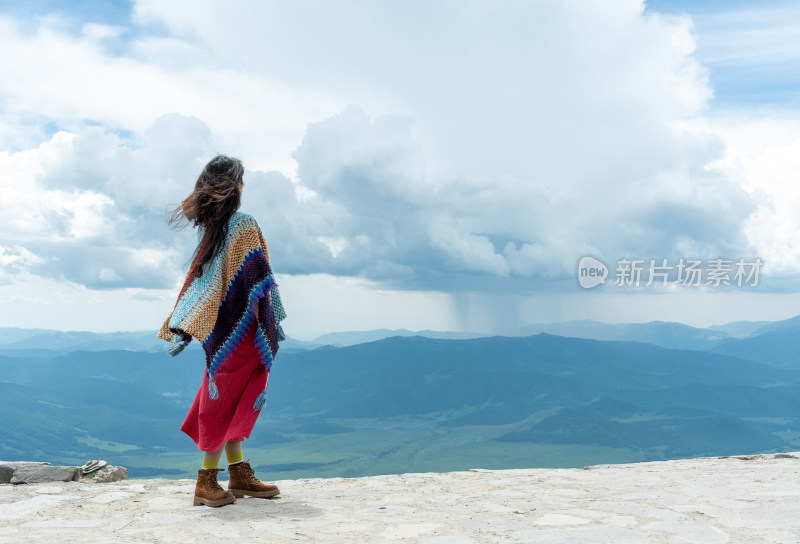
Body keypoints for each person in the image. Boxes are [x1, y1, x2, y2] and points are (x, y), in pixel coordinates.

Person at [158, 155, 287, 507]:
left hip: (220, 328)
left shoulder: (209, 228)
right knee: (227, 398)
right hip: (243, 330)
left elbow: (206, 279)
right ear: (236, 185)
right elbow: (257, 278)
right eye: (242, 180)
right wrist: (266, 325)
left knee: (232, 394)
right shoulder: (244, 224)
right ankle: (206, 480)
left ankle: (238, 473)